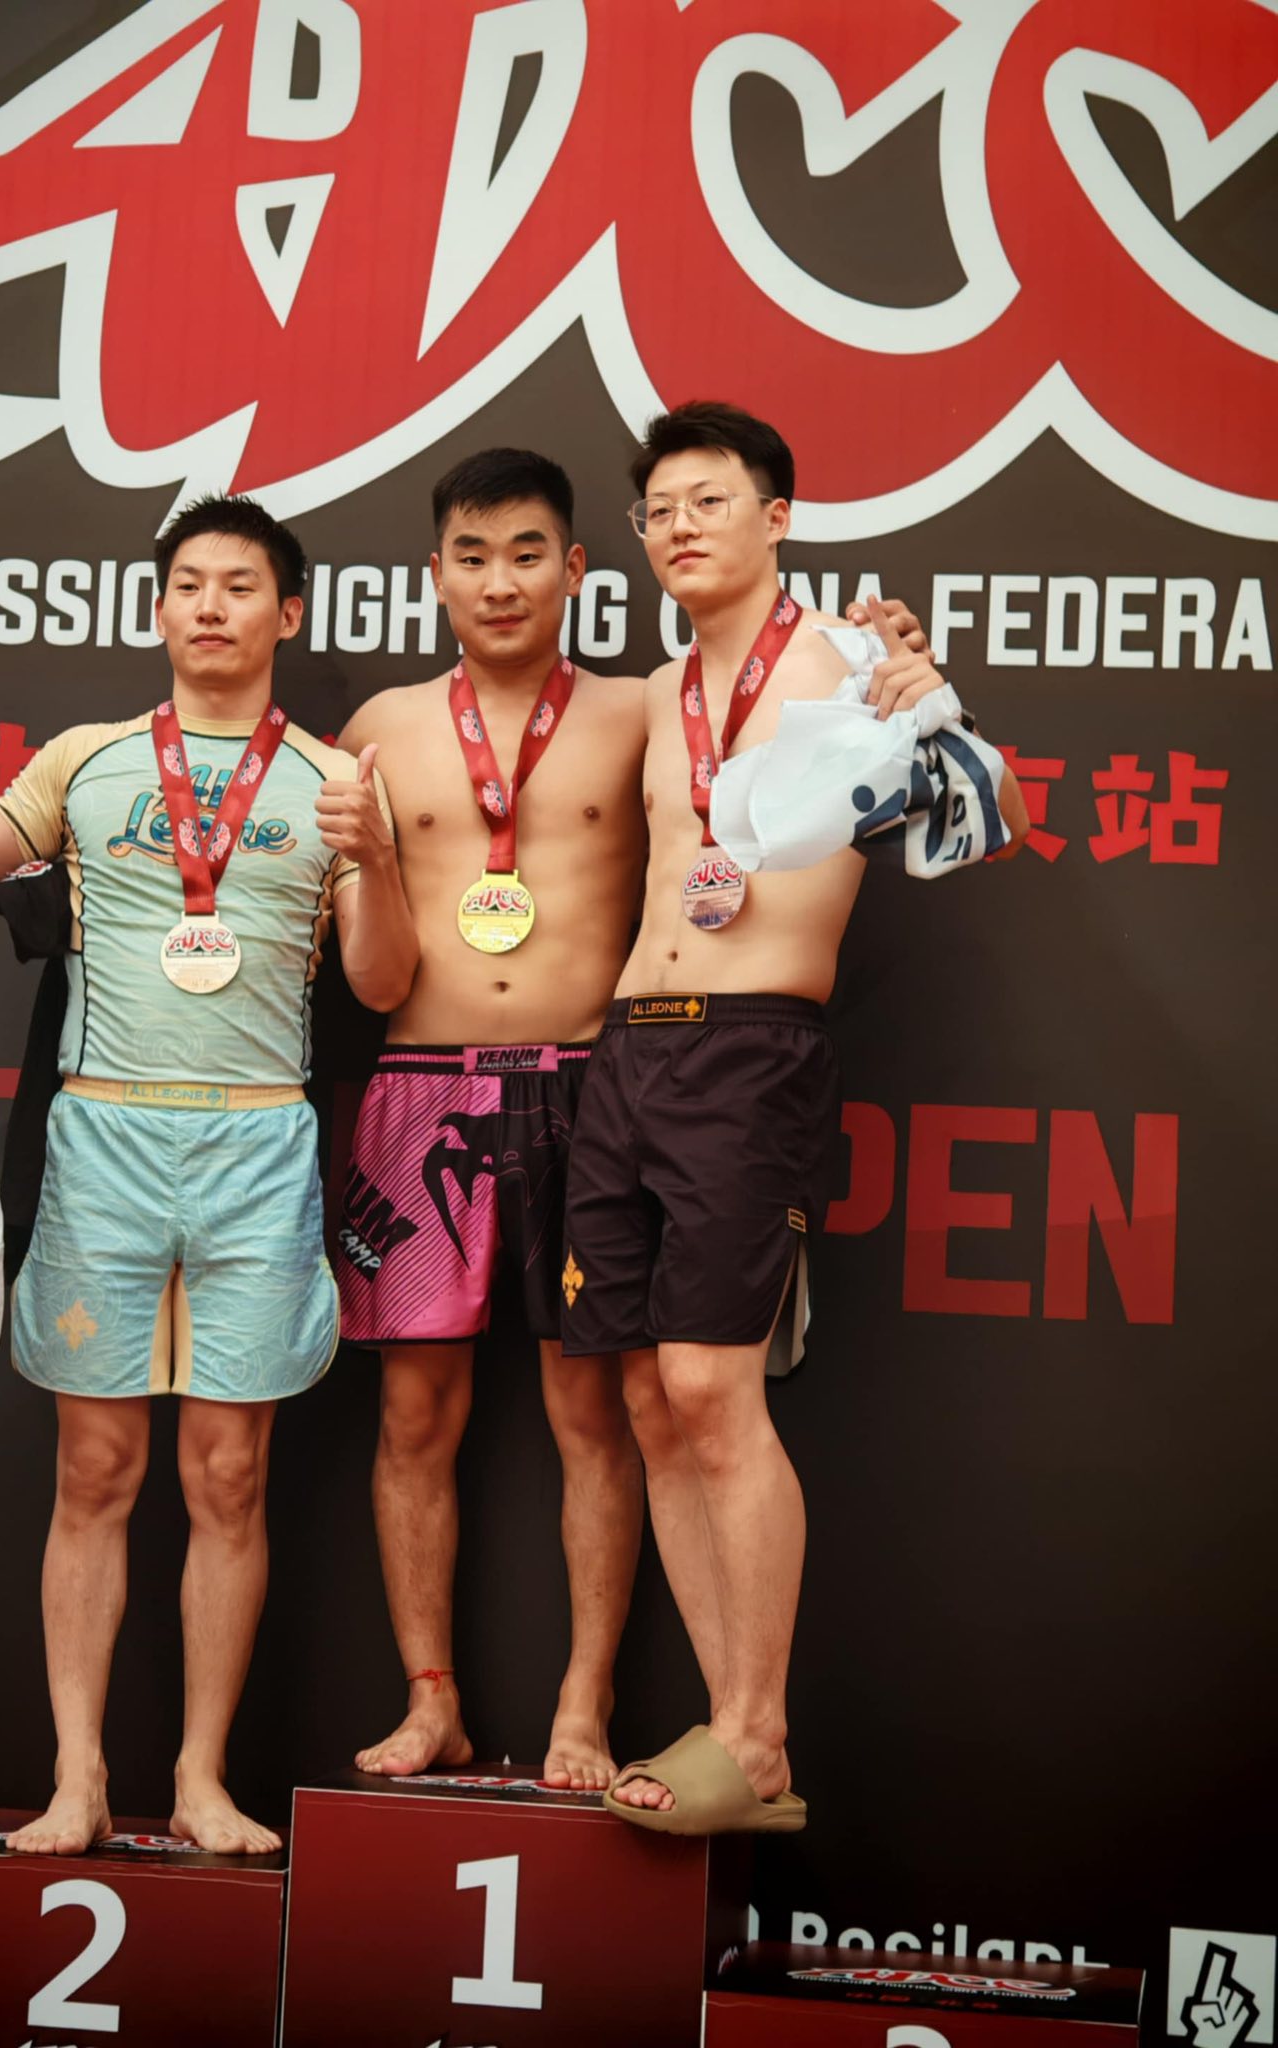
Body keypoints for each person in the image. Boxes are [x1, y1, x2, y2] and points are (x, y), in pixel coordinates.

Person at [0, 493, 417, 1855]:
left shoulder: (334, 776)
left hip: (259, 1145)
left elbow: (384, 983)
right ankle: (76, 1779)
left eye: (240, 585)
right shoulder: (84, 761)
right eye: (188, 583)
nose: (211, 606)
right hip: (105, 1141)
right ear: (158, 610)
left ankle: (201, 1779)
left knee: (229, 1476)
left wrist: (372, 853)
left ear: (289, 612)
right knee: (93, 1469)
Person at [558, 402, 1031, 1833]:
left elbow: (989, 814)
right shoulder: (659, 690)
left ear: (778, 519)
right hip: (626, 1050)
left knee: (713, 1391)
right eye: (659, 510)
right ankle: (732, 1736)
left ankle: (759, 1736)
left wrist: (930, 699)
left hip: (751, 1048)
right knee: (648, 1397)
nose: (680, 526)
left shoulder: (846, 661)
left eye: (710, 500)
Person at [333, 449, 650, 1789]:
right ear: (435, 575)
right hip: (422, 1082)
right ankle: (432, 1703)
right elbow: (370, 983)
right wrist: (371, 865)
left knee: (596, 1414)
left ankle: (583, 1707)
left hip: (593, 1085)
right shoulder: (379, 727)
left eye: (527, 553)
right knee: (414, 1419)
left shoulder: (643, 712)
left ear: (575, 568)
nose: (500, 581)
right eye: (472, 556)